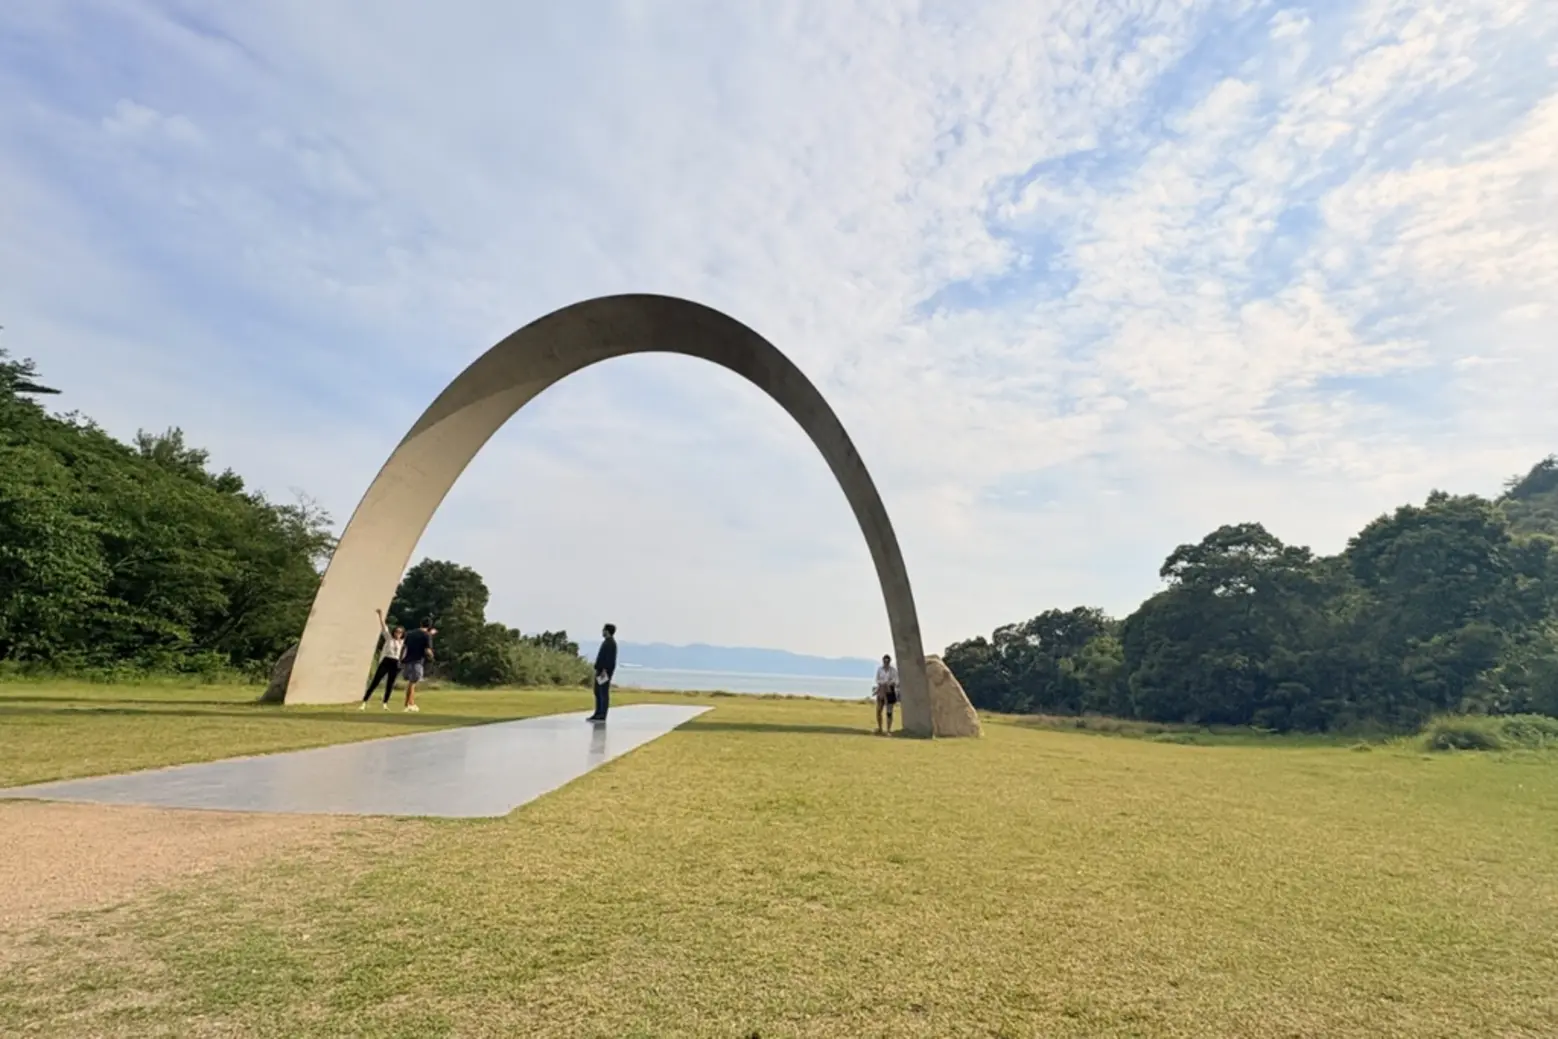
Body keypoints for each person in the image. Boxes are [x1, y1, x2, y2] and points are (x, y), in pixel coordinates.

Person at [360, 609, 405, 710]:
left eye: (400, 632)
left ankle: (385, 703)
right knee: (376, 681)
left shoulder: (402, 642)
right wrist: (380, 616)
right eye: (397, 631)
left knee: (390, 684)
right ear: (394, 632)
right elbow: (384, 628)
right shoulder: (389, 638)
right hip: (386, 661)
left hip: (395, 662)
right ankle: (364, 701)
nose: (398, 633)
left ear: (402, 634)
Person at [399, 618, 435, 713]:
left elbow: (404, 647)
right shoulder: (427, 635)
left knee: (412, 683)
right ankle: (408, 705)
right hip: (417, 661)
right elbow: (428, 650)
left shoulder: (409, 633)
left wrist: (400, 659)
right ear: (429, 626)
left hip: (407, 660)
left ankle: (411, 703)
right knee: (412, 682)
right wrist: (432, 656)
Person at [587, 623, 618, 723]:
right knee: (597, 691)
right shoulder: (607, 642)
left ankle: (602, 714)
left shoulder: (611, 643)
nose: (602, 631)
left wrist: (604, 670)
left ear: (607, 631)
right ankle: (597, 712)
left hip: (604, 671)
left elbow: (609, 659)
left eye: (604, 630)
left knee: (603, 692)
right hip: (600, 670)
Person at [874, 653, 899, 735]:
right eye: (885, 661)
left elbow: (896, 680)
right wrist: (882, 684)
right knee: (878, 710)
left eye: (887, 661)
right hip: (881, 689)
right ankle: (880, 728)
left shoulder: (893, 670)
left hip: (890, 690)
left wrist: (888, 683)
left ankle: (888, 730)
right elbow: (877, 679)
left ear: (889, 662)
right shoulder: (880, 670)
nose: (886, 663)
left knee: (889, 711)